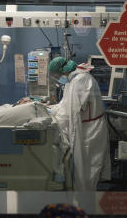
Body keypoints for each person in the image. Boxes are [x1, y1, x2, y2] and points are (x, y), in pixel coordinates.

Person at [47, 57, 110, 191]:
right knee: (84, 169)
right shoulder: (73, 80)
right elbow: (65, 105)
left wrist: (51, 119)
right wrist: (48, 110)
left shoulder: (80, 80)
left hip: (89, 131)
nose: (57, 78)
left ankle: (86, 203)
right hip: (85, 126)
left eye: (56, 75)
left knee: (87, 170)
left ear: (62, 71)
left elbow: (70, 112)